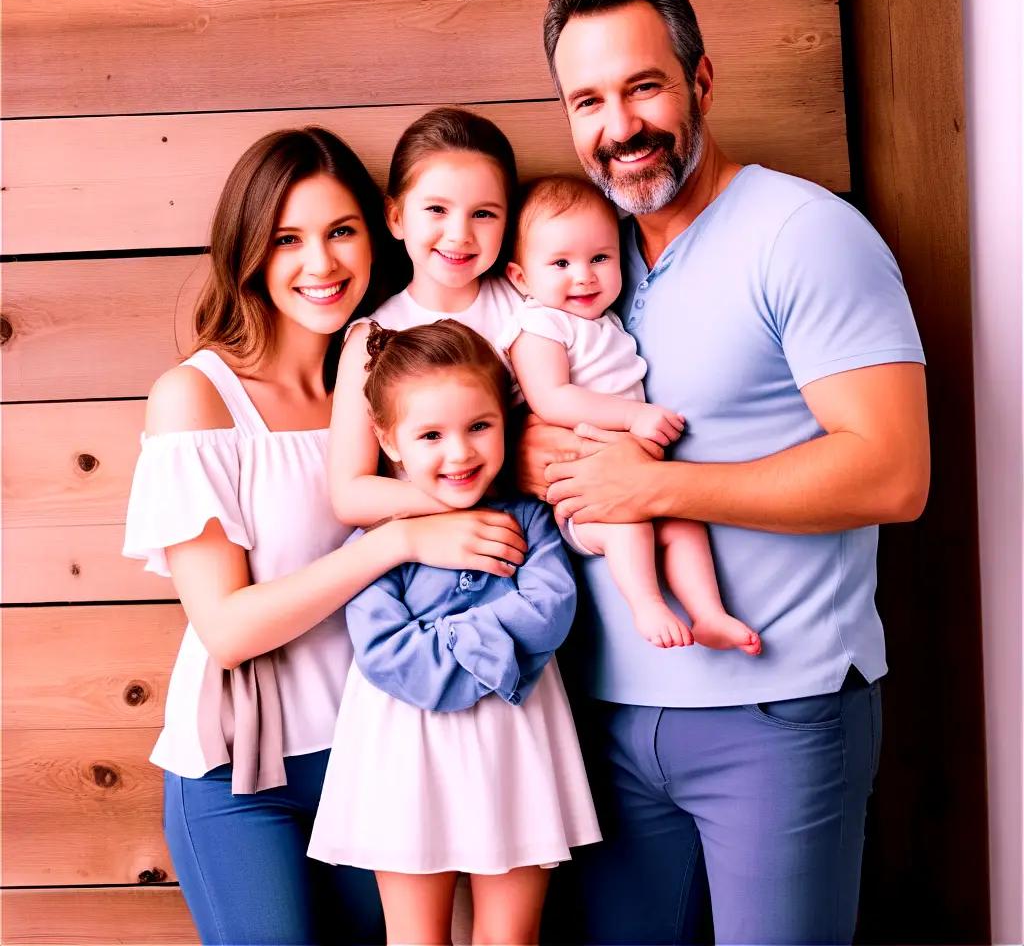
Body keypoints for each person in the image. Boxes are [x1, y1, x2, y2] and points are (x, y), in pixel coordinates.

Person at [523, 0, 930, 945]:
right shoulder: (590, 259)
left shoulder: (806, 235)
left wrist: (654, 483)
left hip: (779, 716)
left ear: (700, 80)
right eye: (588, 101)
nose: (619, 125)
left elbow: (892, 472)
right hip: (611, 714)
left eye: (643, 86)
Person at [122, 128, 528, 946]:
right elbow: (227, 628)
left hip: (385, 751)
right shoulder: (197, 399)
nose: (322, 263)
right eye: (287, 239)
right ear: (247, 250)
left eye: (340, 232)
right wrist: (396, 542)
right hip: (244, 777)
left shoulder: (395, 383)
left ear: (375, 235)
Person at [308, 320, 601, 946]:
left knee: (511, 936)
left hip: (515, 737)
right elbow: (388, 654)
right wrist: (487, 647)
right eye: (431, 435)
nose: (460, 454)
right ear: (389, 440)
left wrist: (446, 639)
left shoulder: (527, 519)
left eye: (479, 426)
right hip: (405, 742)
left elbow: (550, 606)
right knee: (415, 937)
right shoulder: (380, 542)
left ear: (505, 419)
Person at [503, 174, 760, 654]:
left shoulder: (605, 321)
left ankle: (708, 613)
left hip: (635, 481)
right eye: (560, 263)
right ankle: (647, 604)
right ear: (522, 278)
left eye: (600, 258)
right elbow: (552, 398)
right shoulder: (539, 325)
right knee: (631, 525)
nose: (584, 275)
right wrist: (632, 417)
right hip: (584, 501)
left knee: (684, 522)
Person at [328, 106, 524, 530]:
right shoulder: (370, 339)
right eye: (437, 209)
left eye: (484, 213)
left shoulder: (528, 311)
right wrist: (455, 498)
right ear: (396, 217)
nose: (459, 234)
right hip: (426, 551)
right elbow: (349, 494)